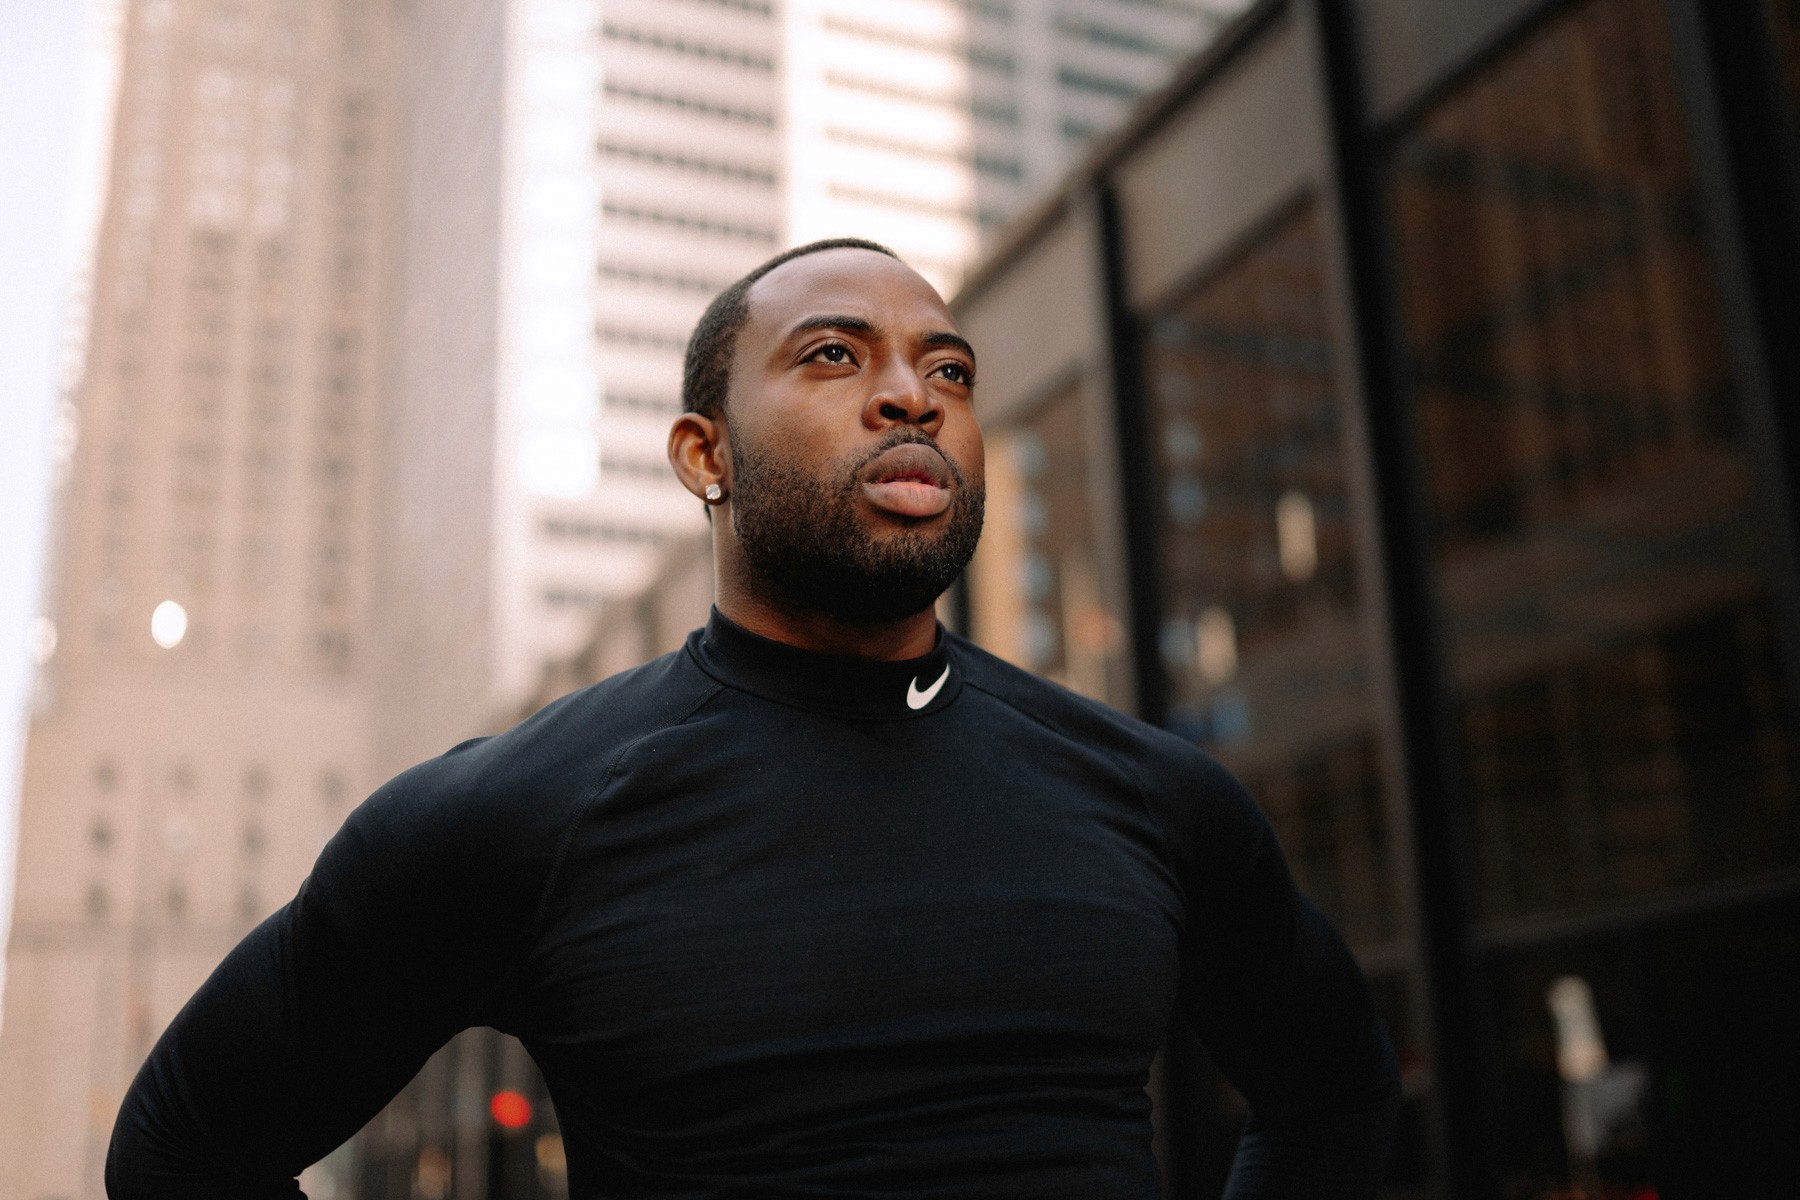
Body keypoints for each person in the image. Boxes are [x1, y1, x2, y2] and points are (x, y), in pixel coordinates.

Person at [108, 238, 1400, 1198]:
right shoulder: (519, 813)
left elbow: (1335, 1098)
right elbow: (181, 1152)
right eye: (835, 355)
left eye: (947, 369)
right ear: (705, 454)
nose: (913, 395)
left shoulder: (1155, 796)